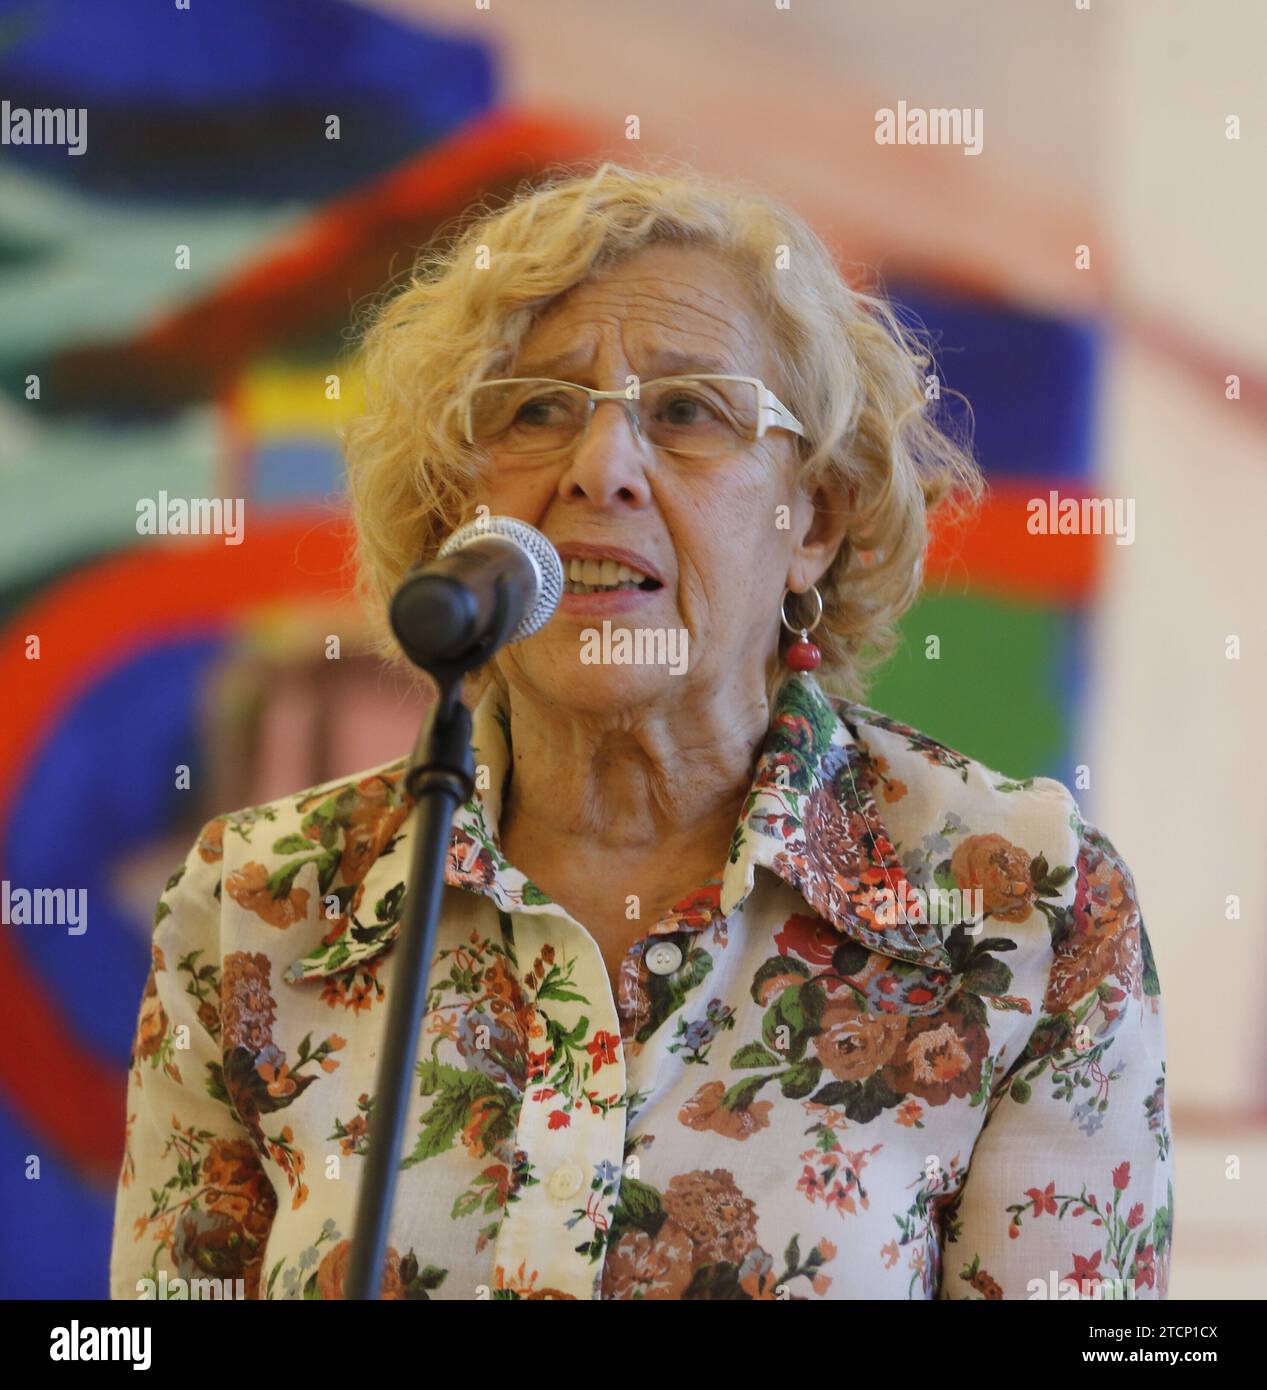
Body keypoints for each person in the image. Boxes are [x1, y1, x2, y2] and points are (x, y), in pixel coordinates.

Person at [110, 161, 1173, 1301]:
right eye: (534, 411)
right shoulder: (253, 907)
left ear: (811, 519)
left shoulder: (1026, 906)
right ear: (449, 506)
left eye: (686, 412)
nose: (600, 468)